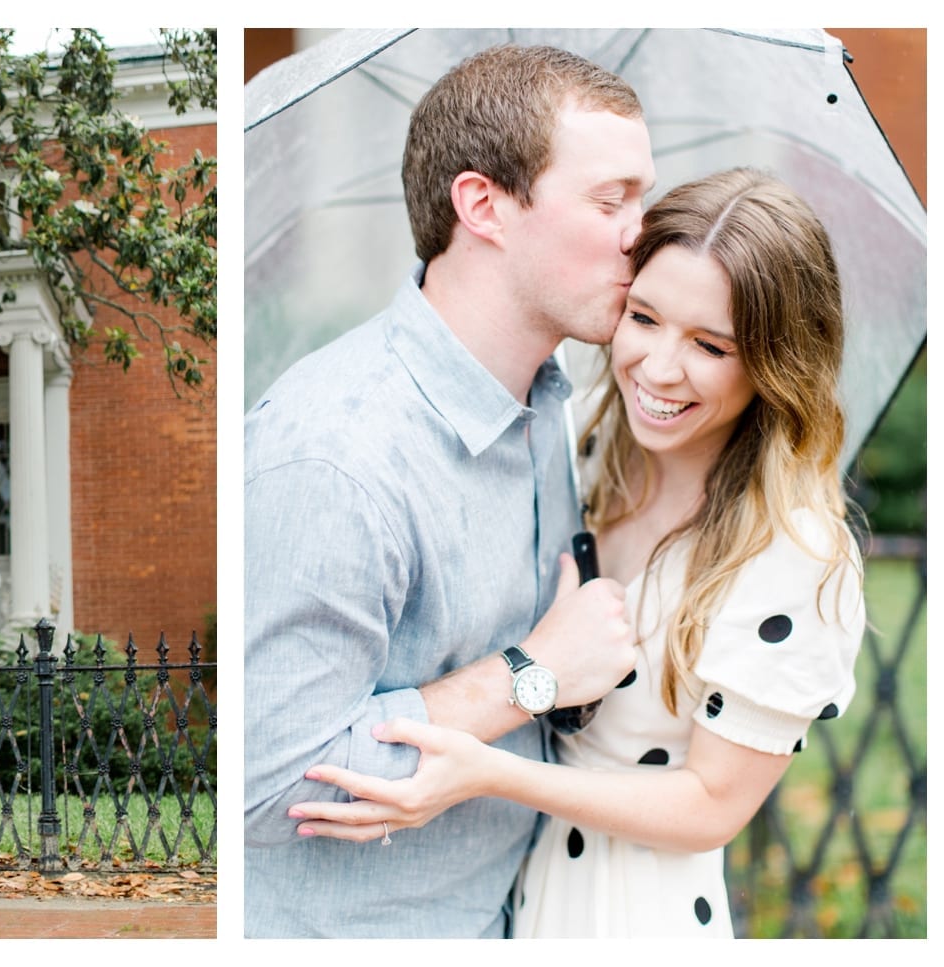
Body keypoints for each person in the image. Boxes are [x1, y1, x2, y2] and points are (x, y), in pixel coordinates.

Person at [287, 168, 866, 938]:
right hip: (514, 899)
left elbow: (711, 807)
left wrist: (489, 773)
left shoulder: (794, 548)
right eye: (645, 317)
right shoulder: (589, 441)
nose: (659, 368)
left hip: (636, 914)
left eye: (710, 344)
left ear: (773, 360)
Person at [243, 44, 654, 937]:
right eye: (611, 200)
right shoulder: (336, 454)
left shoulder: (551, 400)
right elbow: (266, 785)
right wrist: (533, 675)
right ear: (483, 206)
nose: (642, 232)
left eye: (645, 200)